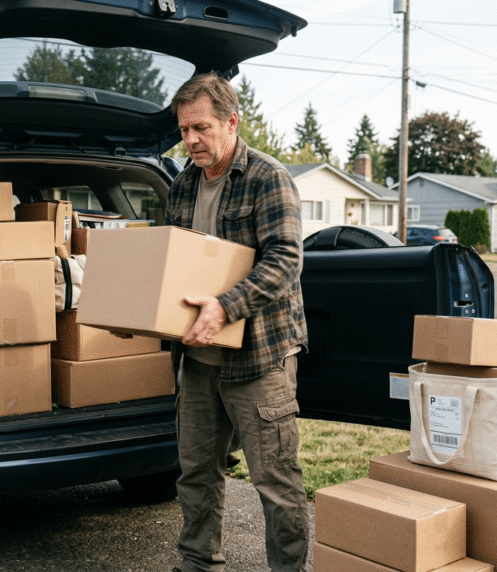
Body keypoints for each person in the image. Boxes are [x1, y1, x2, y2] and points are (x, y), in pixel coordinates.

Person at [165, 72, 310, 572]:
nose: (190, 141)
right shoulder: (182, 184)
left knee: (276, 481)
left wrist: (225, 306)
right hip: (198, 357)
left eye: (200, 128)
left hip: (259, 359)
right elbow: (172, 265)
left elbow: (285, 260)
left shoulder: (268, 177)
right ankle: (198, 564)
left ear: (231, 121)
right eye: (184, 130)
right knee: (196, 474)